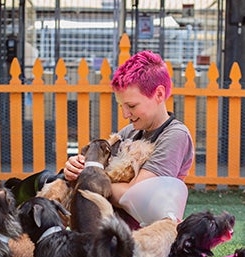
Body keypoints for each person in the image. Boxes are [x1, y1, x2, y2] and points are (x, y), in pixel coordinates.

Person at [64, 50, 194, 229]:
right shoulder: (130, 132)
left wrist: (88, 177)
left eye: (131, 106)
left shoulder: (176, 135)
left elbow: (135, 196)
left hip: (145, 239)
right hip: (113, 230)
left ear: (159, 94)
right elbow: (97, 163)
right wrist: (75, 167)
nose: (125, 114)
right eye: (121, 106)